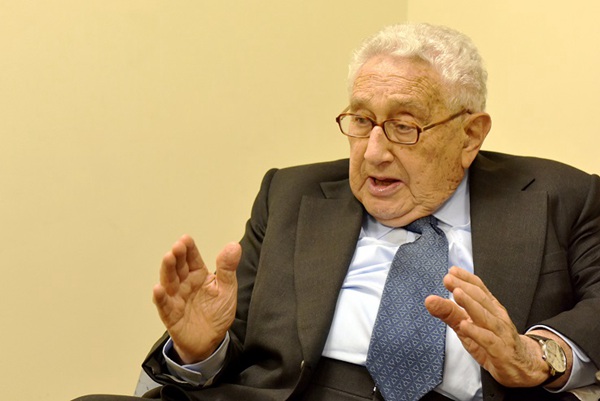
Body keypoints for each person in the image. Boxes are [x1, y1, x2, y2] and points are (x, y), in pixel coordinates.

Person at [74, 23, 600, 401]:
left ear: (470, 135)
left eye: (404, 126)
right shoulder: (291, 194)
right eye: (361, 121)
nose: (373, 152)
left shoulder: (561, 196)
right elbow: (237, 343)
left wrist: (540, 356)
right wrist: (201, 348)